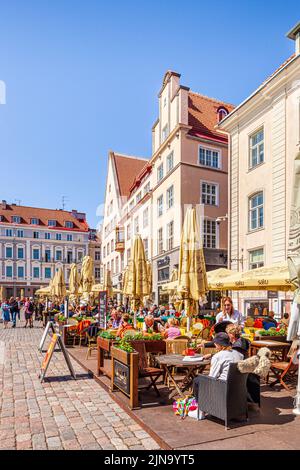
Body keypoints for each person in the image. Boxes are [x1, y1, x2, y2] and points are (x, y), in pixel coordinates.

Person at [193, 332, 244, 416]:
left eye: (216, 343)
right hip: (238, 387)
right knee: (201, 379)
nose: (215, 345)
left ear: (220, 345)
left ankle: (201, 410)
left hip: (222, 387)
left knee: (197, 381)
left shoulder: (218, 356)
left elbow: (212, 376)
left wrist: (203, 377)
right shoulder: (239, 355)